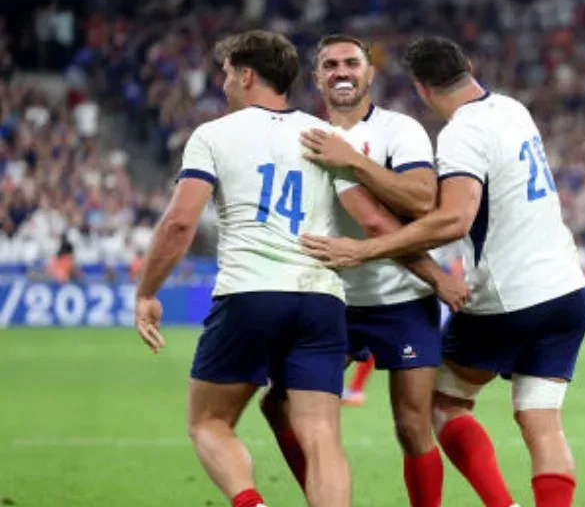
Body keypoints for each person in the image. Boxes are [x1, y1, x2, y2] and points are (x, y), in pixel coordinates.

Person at [302, 36, 585, 507]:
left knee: (443, 403)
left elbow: (453, 218)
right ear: (469, 67)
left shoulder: (461, 133)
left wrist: (367, 249)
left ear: (421, 89)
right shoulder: (513, 108)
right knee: (543, 423)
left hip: (509, 296)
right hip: (567, 291)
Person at [133, 30, 400, 507]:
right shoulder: (327, 137)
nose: (224, 84)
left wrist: (147, 292)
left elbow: (178, 224)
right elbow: (373, 220)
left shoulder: (214, 135)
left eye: (228, 74)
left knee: (209, 422)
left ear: (247, 74)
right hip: (321, 298)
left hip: (250, 293)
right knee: (321, 434)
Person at [257, 34, 469, 507]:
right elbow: (358, 218)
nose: (341, 71)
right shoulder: (302, 134)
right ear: (316, 77)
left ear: (369, 72)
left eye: (351, 62)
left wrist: (352, 160)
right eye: (329, 64)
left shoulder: (401, 130)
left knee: (412, 426)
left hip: (401, 298)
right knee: (280, 406)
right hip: (327, 299)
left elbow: (419, 200)